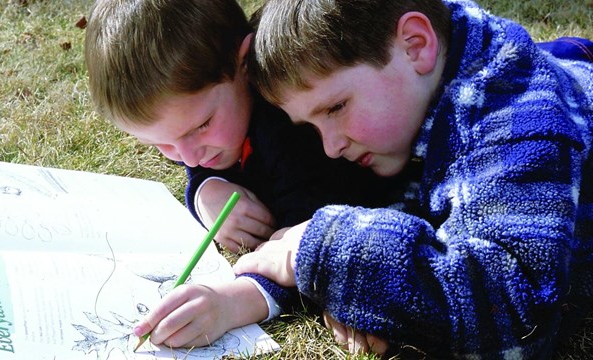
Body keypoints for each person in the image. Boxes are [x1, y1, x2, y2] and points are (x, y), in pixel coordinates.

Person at [235, 0, 593, 358]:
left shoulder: (519, 117)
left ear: (416, 45)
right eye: (313, 126)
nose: (330, 146)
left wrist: (320, 252)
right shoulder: (409, 96)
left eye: (336, 108)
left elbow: (518, 317)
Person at [83, 0, 396, 350]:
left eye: (201, 125)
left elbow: (311, 240)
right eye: (161, 144)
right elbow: (195, 165)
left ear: (244, 63)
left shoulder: (292, 130)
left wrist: (234, 301)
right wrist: (206, 191)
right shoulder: (209, 123)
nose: (188, 154)